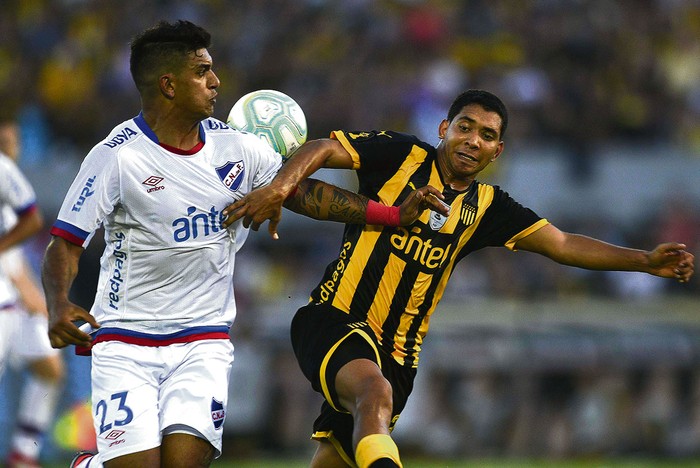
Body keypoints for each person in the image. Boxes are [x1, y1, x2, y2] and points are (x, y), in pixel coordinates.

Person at [40, 20, 446, 468]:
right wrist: (58, 303)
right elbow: (65, 242)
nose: (216, 82)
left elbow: (305, 194)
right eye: (202, 71)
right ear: (168, 84)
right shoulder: (117, 156)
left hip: (202, 338)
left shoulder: (237, 148)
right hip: (126, 339)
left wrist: (389, 214)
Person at [225, 89, 696, 468]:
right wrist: (280, 186)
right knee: (374, 394)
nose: (473, 140)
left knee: (339, 453)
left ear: (498, 150)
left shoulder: (490, 208)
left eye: (487, 135)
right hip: (333, 319)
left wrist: (643, 260)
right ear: (444, 129)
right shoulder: (401, 155)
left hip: (399, 355)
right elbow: (323, 147)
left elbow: (563, 244)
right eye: (465, 128)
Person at [0, 117, 65, 468]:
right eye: (5, 140)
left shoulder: (10, 187)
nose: (11, 146)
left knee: (49, 369)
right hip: (10, 296)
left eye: (15, 140)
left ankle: (24, 454)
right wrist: (30, 292)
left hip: (13, 297)